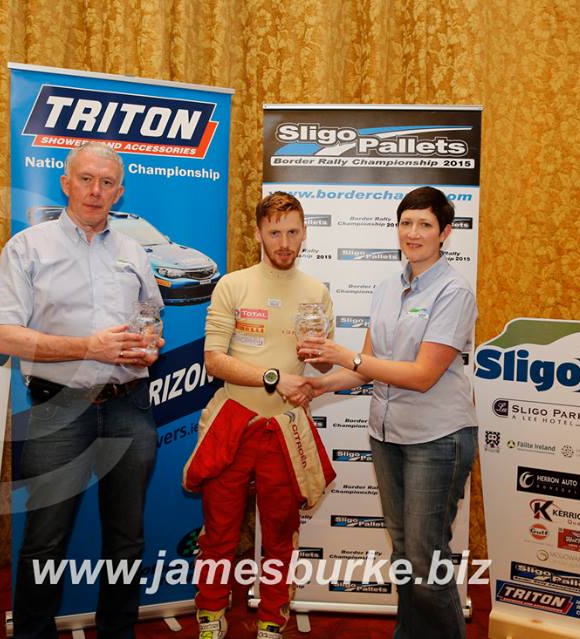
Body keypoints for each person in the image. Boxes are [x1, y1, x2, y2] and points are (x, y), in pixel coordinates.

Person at [0, 142, 164, 639]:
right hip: (57, 409)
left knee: (127, 540)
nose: (95, 191)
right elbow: (4, 337)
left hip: (129, 408)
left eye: (107, 183)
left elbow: (151, 319)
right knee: (45, 542)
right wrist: (88, 347)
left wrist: (149, 345)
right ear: (65, 183)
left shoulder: (133, 251)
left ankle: (118, 631)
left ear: (119, 192)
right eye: (86, 179)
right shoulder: (28, 247)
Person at [300, 186, 477, 639]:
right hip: (387, 436)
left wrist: (346, 356)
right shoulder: (385, 289)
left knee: (426, 562)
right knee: (403, 555)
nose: (413, 233)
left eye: (425, 224)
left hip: (437, 438)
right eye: (406, 223)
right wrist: (318, 385)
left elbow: (422, 375)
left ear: (445, 233)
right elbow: (367, 368)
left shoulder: (454, 291)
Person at [182, 192, 336, 639]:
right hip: (233, 422)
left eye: (292, 232)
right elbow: (214, 361)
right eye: (274, 232)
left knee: (281, 536)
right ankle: (211, 614)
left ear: (305, 233)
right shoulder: (233, 285)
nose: (284, 242)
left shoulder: (316, 292)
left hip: (285, 429)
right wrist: (274, 377)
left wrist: (321, 358)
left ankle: (271, 620)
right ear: (258, 234)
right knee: (219, 534)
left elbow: (322, 367)